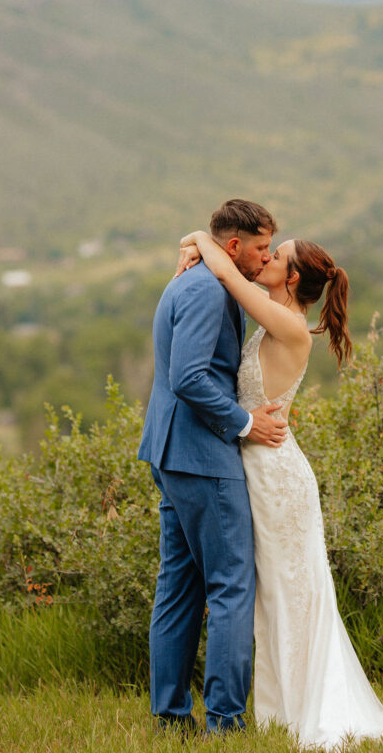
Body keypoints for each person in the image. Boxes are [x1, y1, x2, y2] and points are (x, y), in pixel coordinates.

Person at [176, 230, 383, 749]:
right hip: (259, 464)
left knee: (292, 592)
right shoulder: (273, 320)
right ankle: (278, 711)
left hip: (277, 476)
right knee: (271, 594)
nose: (267, 257)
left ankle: (308, 708)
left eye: (276, 255)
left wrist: (197, 239)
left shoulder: (290, 325)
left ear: (293, 277)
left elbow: (229, 276)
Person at [137, 199, 288, 736]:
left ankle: (171, 719)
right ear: (234, 246)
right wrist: (247, 423)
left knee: (178, 586)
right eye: (261, 247)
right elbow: (191, 378)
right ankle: (226, 722)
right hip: (202, 455)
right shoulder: (204, 291)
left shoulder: (198, 278)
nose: (265, 255)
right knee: (230, 584)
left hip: (170, 450)